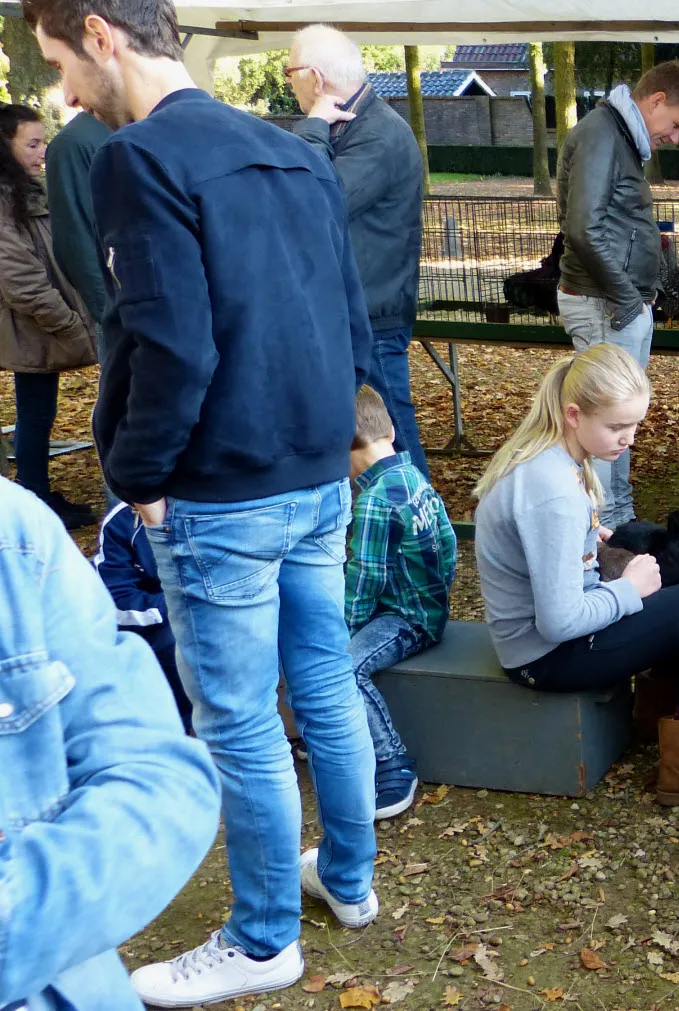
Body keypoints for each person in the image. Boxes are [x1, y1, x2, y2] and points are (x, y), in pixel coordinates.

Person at [28, 1, 382, 1002]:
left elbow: (172, 345)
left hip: (225, 491)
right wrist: (333, 436)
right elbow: (349, 319)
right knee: (321, 681)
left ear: (100, 34)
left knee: (240, 720)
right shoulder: (288, 149)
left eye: (60, 61)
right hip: (311, 473)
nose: (63, 93)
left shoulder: (137, 161)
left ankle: (266, 934)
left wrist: (139, 476)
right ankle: (348, 883)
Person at [0, 478, 220, 1011]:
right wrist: (176, 610)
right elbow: (121, 601)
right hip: (159, 643)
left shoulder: (18, 532)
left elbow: (158, 776)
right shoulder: (120, 524)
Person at [473, 343, 679, 807]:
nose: (629, 438)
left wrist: (589, 542)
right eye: (617, 426)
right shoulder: (554, 494)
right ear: (573, 414)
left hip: (538, 642)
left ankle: (653, 716)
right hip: (545, 657)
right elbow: (559, 622)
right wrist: (630, 589)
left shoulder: (545, 457)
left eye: (635, 425)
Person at [557, 59, 679, 527]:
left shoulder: (619, 138)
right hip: (607, 304)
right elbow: (583, 228)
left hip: (619, 302)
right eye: (677, 125)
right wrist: (625, 298)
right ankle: (602, 530)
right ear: (657, 100)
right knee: (607, 424)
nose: (675, 138)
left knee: (619, 423)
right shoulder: (603, 134)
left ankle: (617, 521)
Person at [287, 24, 430, 480]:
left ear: (313, 76)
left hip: (372, 317)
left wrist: (310, 132)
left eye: (289, 72)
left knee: (390, 438)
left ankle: (425, 537)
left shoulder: (378, 134)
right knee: (376, 434)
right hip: (361, 309)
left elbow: (313, 203)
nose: (288, 82)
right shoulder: (360, 126)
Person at [346, 385, 457, 821]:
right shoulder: (413, 478)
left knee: (343, 667)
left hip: (406, 620)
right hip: (429, 608)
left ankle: (392, 763)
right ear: (390, 428)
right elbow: (448, 546)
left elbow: (363, 582)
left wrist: (342, 630)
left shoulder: (373, 500)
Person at [0, 102, 97, 528]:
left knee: (37, 412)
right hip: (33, 329)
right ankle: (35, 501)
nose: (43, 152)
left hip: (41, 328)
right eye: (33, 144)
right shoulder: (5, 202)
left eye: (44, 142)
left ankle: (36, 494)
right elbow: (21, 281)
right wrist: (71, 326)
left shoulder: (27, 192)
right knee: (35, 414)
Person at [94, 499, 192, 731]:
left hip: (208, 607)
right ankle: (176, 730)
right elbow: (115, 599)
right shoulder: (121, 522)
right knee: (173, 640)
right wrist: (174, 607)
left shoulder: (211, 503)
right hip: (153, 620)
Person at [44, 109, 110, 347]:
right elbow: (76, 243)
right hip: (125, 316)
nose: (69, 97)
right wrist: (110, 315)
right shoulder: (74, 144)